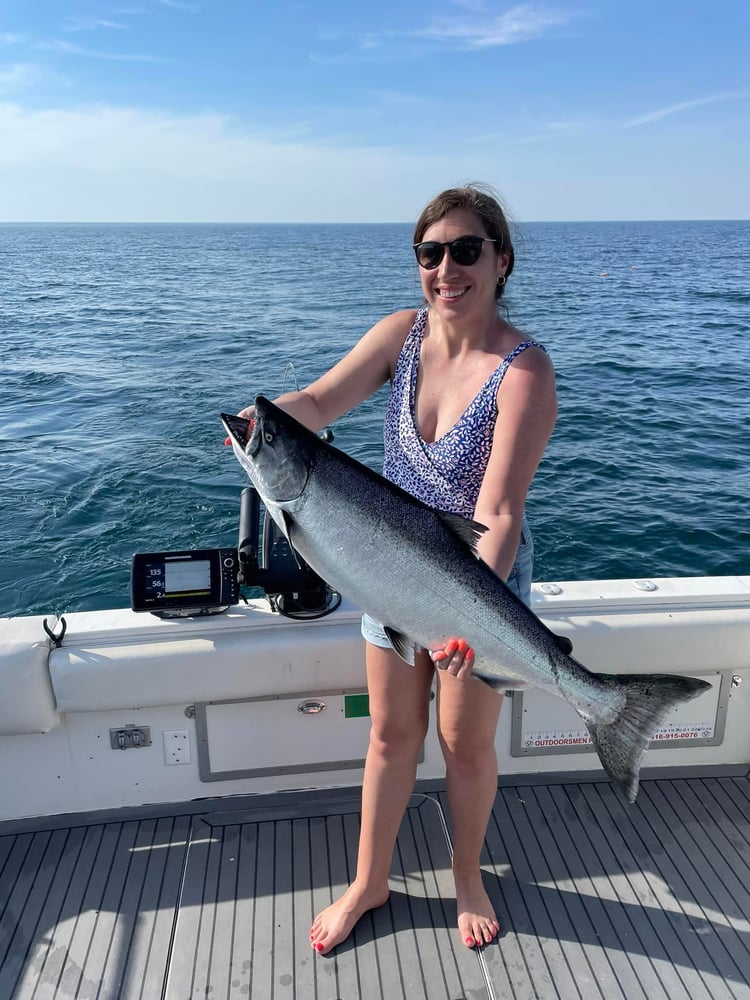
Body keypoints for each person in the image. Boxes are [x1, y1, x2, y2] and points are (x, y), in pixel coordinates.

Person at [238, 183, 557, 954]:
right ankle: (369, 881)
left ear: (501, 260)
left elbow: (503, 510)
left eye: (465, 250)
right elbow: (317, 401)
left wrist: (470, 619)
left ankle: (469, 876)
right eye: (430, 253)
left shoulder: (525, 369)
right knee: (390, 736)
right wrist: (265, 424)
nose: (446, 268)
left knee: (463, 742)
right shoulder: (399, 336)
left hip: (480, 578)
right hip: (384, 568)